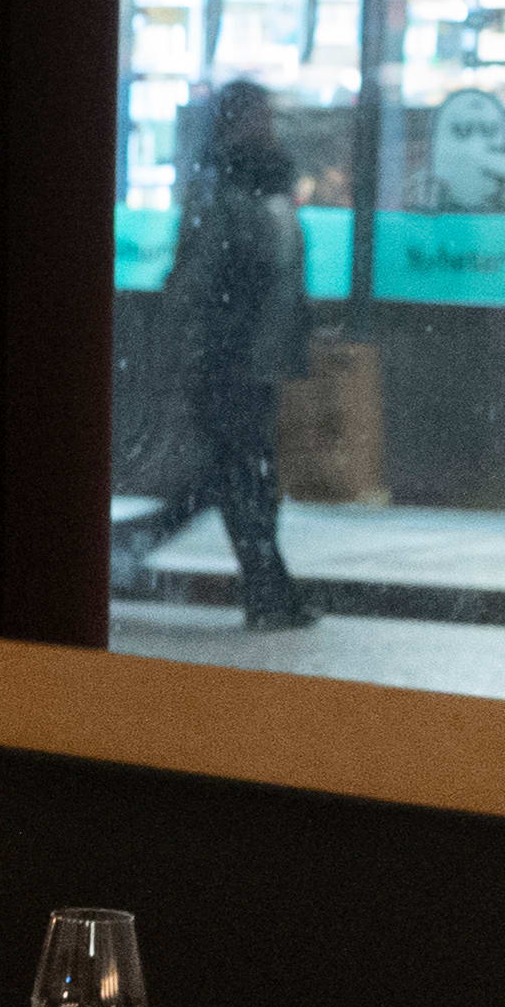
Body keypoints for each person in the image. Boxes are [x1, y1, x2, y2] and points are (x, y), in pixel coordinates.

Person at [112, 78, 314, 628]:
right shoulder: (221, 189)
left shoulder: (270, 185)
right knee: (242, 478)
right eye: (253, 116)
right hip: (228, 360)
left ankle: (127, 550)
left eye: (265, 116)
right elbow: (199, 283)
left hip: (259, 359)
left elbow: (283, 276)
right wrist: (197, 352)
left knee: (227, 479)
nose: (264, 126)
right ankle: (268, 590)